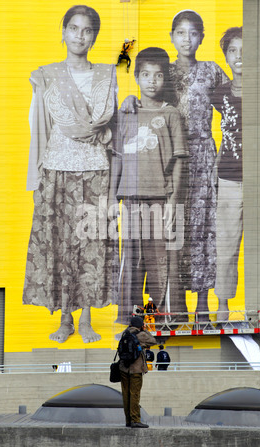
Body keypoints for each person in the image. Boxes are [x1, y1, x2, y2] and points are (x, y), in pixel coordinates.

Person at [23, 5, 118, 344]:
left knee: (93, 246)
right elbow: (39, 128)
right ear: (62, 32)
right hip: (57, 170)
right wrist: (36, 179)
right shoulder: (46, 76)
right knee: (61, 246)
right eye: (74, 28)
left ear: (94, 36)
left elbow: (116, 129)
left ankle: (88, 320)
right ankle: (65, 320)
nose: (80, 35)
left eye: (87, 30)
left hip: (96, 171)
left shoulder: (108, 75)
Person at [110, 47, 189, 326]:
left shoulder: (171, 114)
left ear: (165, 79)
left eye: (158, 75)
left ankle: (170, 318)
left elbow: (179, 161)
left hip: (161, 199)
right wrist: (111, 199)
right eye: (145, 75)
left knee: (163, 259)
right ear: (137, 77)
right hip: (131, 200)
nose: (152, 81)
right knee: (131, 260)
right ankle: (131, 318)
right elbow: (117, 158)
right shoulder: (127, 112)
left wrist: (173, 202)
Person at [169, 10, 229, 318]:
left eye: (193, 33)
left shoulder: (211, 70)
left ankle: (204, 304)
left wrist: (226, 152)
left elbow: (232, 107)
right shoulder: (163, 73)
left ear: (201, 38)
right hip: (173, 161)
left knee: (206, 228)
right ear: (171, 37)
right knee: (177, 226)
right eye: (180, 33)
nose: (186, 39)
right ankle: (177, 305)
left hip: (204, 156)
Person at [211, 27, 243, 321]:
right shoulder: (220, 93)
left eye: (245, 50)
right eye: (233, 51)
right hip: (229, 179)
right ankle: (222, 307)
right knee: (226, 246)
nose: (239, 56)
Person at [119, 315, 156, 427]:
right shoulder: (142, 334)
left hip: (123, 368)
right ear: (141, 325)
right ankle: (135, 420)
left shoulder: (125, 333)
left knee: (126, 395)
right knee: (134, 394)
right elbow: (154, 341)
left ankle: (128, 421)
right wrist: (145, 330)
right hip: (136, 369)